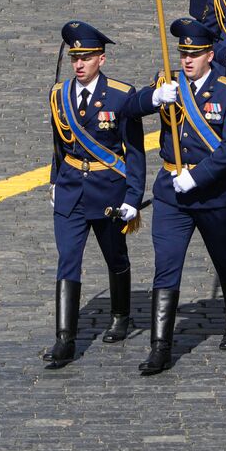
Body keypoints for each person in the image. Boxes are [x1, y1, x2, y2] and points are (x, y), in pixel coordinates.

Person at [128, 19, 226, 374]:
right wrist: (153, 97)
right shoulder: (169, 82)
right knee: (166, 267)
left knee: (225, 260)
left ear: (211, 55)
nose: (187, 60)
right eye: (183, 54)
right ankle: (160, 347)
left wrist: (196, 176)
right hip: (171, 193)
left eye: (195, 54)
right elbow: (130, 108)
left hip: (211, 192)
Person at [44, 21, 145, 369]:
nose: (79, 64)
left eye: (86, 57)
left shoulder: (121, 94)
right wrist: (55, 181)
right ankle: (64, 339)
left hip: (107, 190)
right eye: (75, 58)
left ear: (101, 59)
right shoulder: (59, 94)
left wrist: (133, 196)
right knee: (67, 259)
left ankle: (120, 314)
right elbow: (58, 144)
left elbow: (135, 150)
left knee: (115, 255)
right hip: (72, 188)